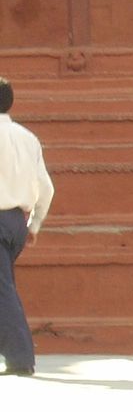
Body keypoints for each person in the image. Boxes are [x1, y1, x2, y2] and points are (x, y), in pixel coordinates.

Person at [0, 77, 54, 379]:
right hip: (16, 222)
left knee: (2, 290)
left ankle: (20, 358)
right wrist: (34, 224)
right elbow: (46, 187)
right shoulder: (27, 138)